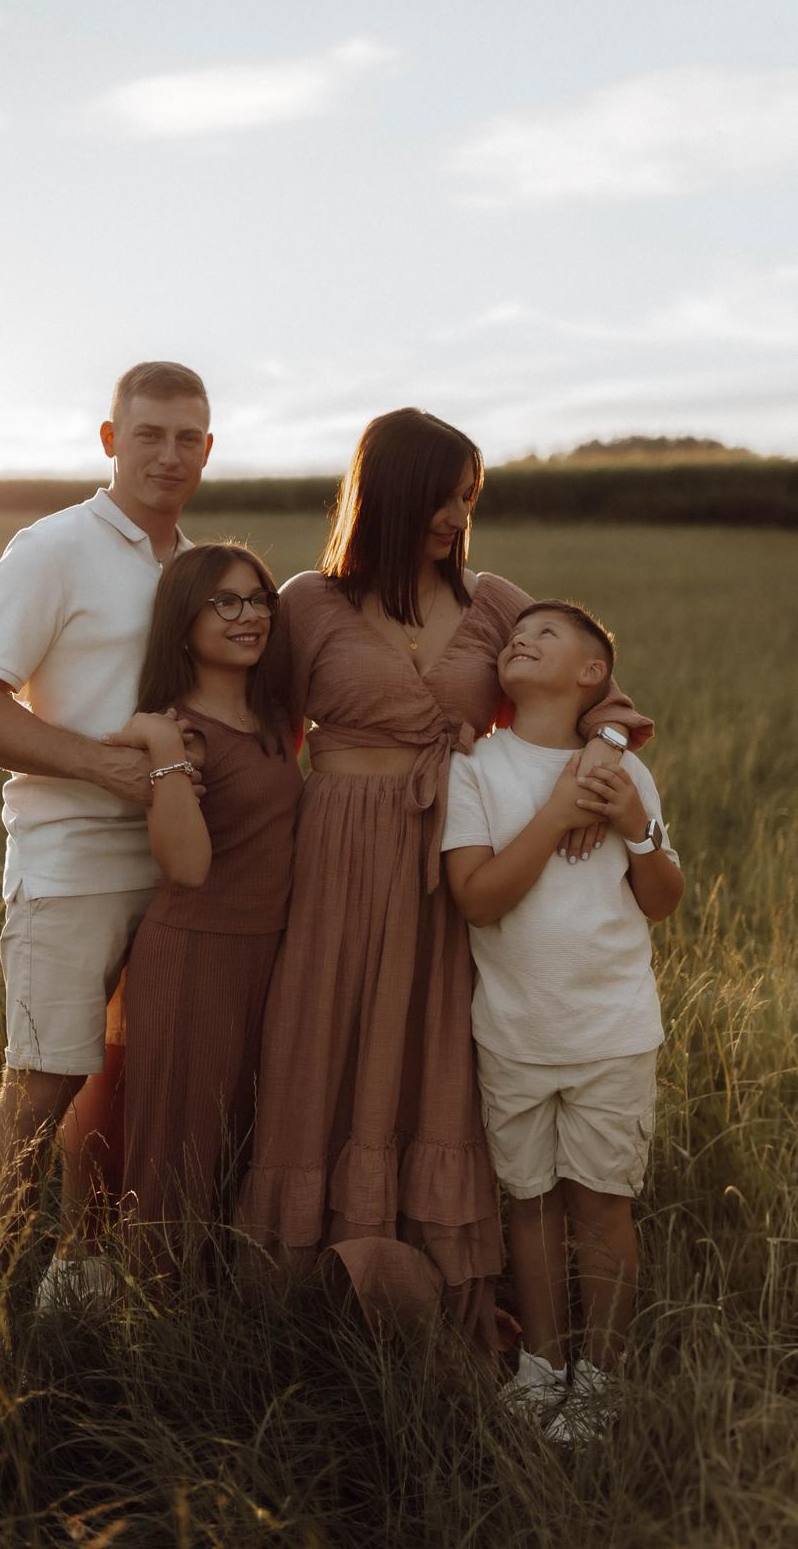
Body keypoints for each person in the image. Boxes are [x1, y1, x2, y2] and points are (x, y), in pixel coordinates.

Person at [237, 408, 653, 1351]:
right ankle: (309, 1287)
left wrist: (603, 755)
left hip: (454, 861)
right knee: (327, 1046)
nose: (459, 514)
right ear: (388, 488)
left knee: (436, 1062)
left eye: (472, 496)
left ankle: (432, 1287)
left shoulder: (494, 599)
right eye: (445, 493)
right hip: (337, 864)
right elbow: (260, 731)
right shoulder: (307, 602)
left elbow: (601, 688)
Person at [0, 361, 212, 1299]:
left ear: (208, 451)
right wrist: (100, 764)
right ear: (109, 440)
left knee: (126, 1084)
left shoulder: (197, 569)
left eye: (187, 439)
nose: (168, 455)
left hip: (177, 865)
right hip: (70, 861)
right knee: (43, 1083)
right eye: (148, 435)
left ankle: (80, 1276)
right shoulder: (51, 548)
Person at [442, 601, 682, 1435]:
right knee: (532, 1203)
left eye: (548, 634)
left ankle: (600, 1383)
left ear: (593, 675)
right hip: (512, 1029)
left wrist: (631, 827)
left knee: (602, 1205)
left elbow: (661, 900)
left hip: (610, 1031)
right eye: (516, 633)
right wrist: (554, 817)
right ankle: (543, 1367)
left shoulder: (618, 771)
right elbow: (477, 899)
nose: (522, 638)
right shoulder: (475, 769)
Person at [100, 544, 303, 1262]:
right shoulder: (182, 731)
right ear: (183, 624)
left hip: (270, 957)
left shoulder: (276, 715)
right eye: (226, 602)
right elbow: (186, 866)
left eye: (258, 599)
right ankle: (149, 1327)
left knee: (241, 1142)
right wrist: (162, 746)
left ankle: (218, 1310)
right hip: (194, 956)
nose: (249, 616)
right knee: (175, 1152)